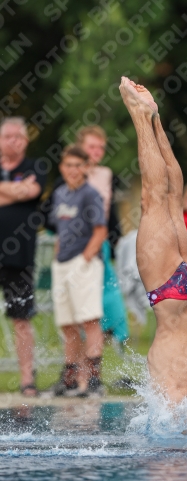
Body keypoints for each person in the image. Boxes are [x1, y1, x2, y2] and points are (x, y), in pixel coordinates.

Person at [119, 76, 187, 403]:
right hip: (184, 293)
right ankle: (145, 116)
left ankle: (150, 117)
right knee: (162, 200)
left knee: (166, 200)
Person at [50, 145, 107, 397]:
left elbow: (100, 230)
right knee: (67, 323)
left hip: (83, 262)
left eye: (77, 165)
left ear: (86, 167)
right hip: (61, 263)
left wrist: (84, 260)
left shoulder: (90, 194)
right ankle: (71, 378)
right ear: (62, 167)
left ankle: (94, 380)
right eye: (68, 165)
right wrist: (57, 257)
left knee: (89, 319)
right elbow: (60, 231)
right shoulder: (60, 193)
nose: (73, 170)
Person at [0, 117, 47, 396]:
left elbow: (33, 190)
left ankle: (27, 380)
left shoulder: (35, 167)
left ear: (26, 141)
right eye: (8, 136)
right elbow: (22, 191)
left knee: (21, 318)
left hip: (20, 255)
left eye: (18, 137)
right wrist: (16, 191)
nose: (13, 141)